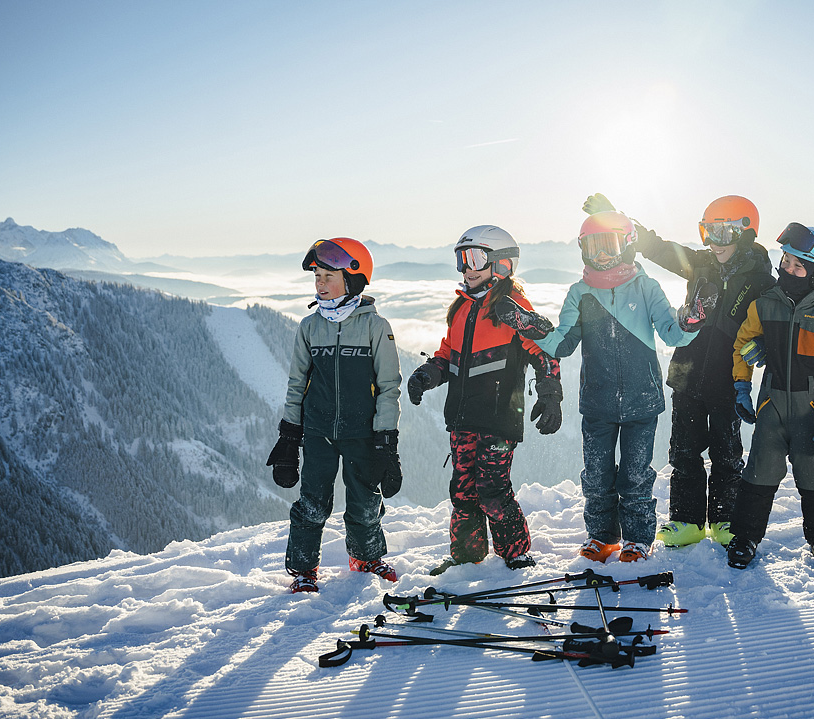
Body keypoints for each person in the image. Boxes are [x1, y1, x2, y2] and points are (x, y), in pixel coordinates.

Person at [583, 194, 774, 550]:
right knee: (684, 452)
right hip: (687, 374)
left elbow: (777, 319)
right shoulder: (700, 264)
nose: (714, 243)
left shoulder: (763, 281)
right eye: (707, 232)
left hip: (728, 378)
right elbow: (657, 247)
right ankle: (687, 521)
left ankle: (724, 518)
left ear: (746, 233)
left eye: (723, 233)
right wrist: (614, 221)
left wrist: (766, 342)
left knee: (726, 452)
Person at [535, 210, 706, 563]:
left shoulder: (646, 287)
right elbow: (562, 344)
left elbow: (672, 334)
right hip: (597, 402)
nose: (600, 255)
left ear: (627, 245)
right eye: (592, 247)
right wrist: (532, 328)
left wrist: (689, 322)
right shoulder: (580, 293)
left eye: (609, 245)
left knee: (635, 475)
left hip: (642, 401)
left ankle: (638, 539)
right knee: (596, 476)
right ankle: (602, 537)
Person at [407, 225, 562, 576]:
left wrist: (550, 393)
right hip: (463, 418)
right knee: (463, 491)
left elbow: (544, 350)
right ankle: (467, 556)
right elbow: (448, 355)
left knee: (492, 489)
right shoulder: (462, 308)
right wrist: (427, 374)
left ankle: (516, 555)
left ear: (502, 264)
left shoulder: (511, 307)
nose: (467, 268)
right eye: (461, 259)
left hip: (498, 417)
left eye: (476, 258)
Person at [266, 238, 403, 593]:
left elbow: (389, 386)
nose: (320, 283)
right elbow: (297, 384)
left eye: (328, 276)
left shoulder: (375, 327)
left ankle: (366, 558)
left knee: (365, 503)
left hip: (363, 433)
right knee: (312, 504)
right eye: (317, 276)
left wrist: (386, 440)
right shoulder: (310, 327)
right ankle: (303, 570)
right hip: (318, 432)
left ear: (353, 280)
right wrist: (289, 435)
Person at [727, 223, 814, 569]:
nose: (788, 270)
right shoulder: (764, 306)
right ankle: (745, 537)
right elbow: (743, 344)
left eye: (799, 266)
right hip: (771, 405)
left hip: (812, 411)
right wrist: (742, 385)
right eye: (785, 261)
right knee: (759, 472)